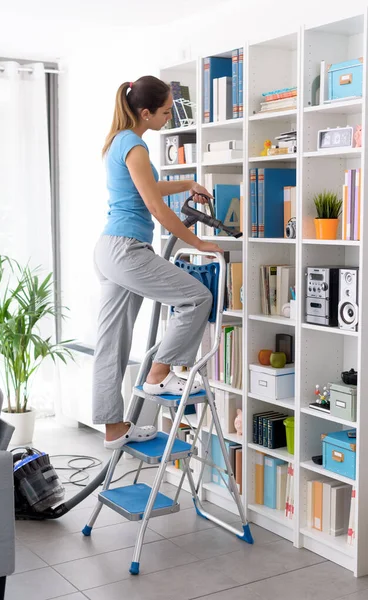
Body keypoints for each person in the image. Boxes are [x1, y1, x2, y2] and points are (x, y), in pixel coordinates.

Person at [93, 75, 223, 450]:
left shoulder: (121, 142)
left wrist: (187, 184)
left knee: (111, 344)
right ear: (146, 113)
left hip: (110, 248)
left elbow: (147, 189)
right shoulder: (134, 147)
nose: (170, 118)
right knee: (197, 298)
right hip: (126, 249)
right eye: (166, 112)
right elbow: (153, 205)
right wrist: (199, 242)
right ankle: (160, 373)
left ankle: (114, 429)